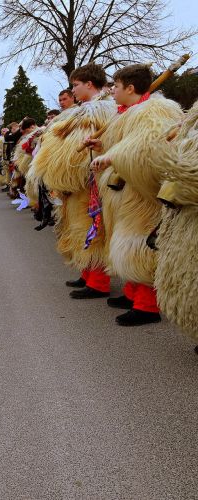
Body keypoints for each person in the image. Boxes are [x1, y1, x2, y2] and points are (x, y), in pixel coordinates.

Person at [84, 64, 183, 326]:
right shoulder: (128, 113)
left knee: (140, 244)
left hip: (141, 194)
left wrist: (111, 156)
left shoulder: (154, 111)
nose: (112, 91)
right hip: (125, 192)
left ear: (130, 88)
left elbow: (148, 145)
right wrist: (103, 146)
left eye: (116, 86)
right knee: (125, 243)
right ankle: (132, 293)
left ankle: (147, 306)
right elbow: (126, 143)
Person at [34, 63, 116, 300]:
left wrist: (69, 173)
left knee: (93, 228)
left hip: (90, 181)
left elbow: (85, 150)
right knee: (79, 228)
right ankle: (87, 272)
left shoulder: (102, 111)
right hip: (76, 185)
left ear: (89, 84)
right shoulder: (83, 110)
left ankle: (98, 281)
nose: (73, 90)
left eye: (76, 85)